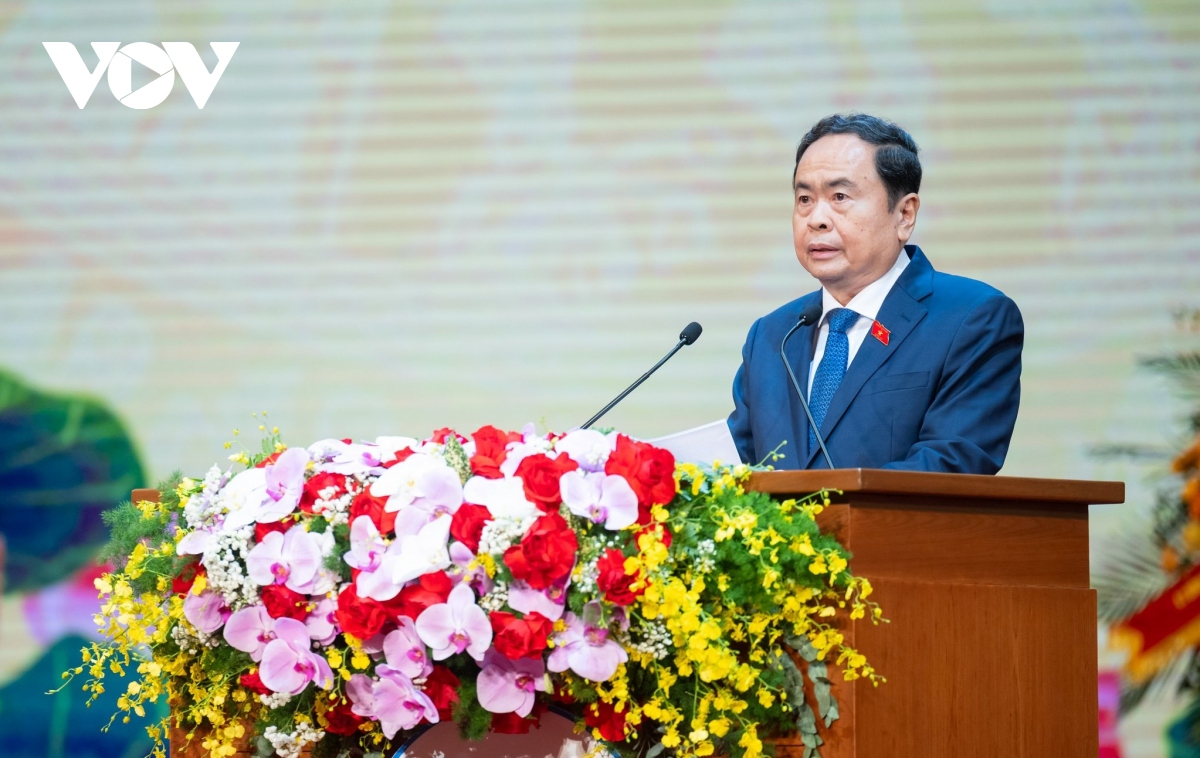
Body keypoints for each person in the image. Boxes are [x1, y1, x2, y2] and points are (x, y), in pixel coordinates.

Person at [727, 113, 1023, 473]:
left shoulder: (971, 318)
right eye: (804, 199)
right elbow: (738, 465)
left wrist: (828, 504)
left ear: (905, 214)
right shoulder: (773, 335)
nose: (816, 219)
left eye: (839, 196)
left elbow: (954, 462)